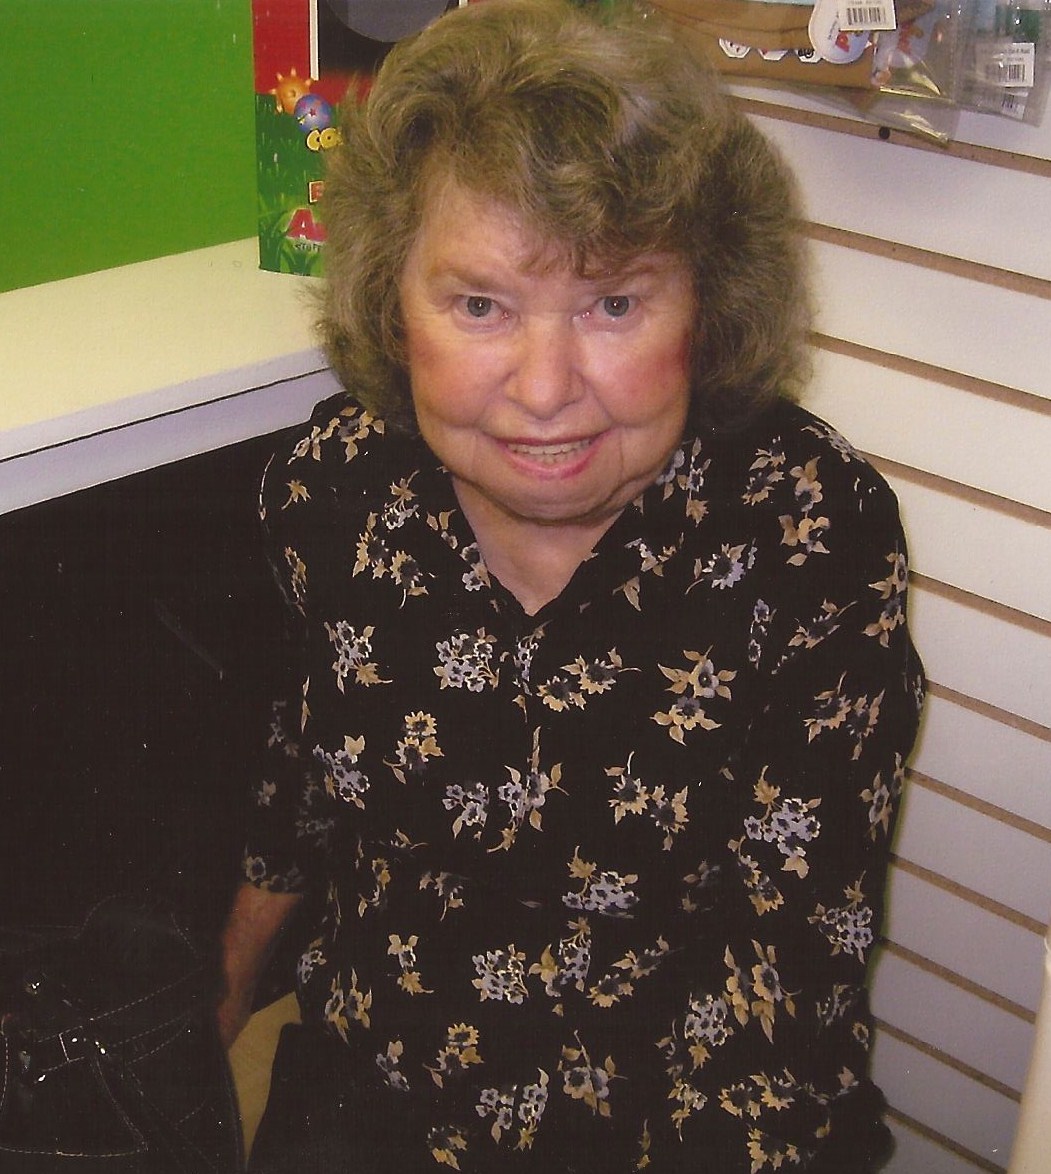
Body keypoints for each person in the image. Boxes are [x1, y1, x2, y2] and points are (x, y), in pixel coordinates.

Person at [217, 1, 925, 1170]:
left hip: (670, 1124)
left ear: (707, 305)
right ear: (392, 305)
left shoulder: (808, 531)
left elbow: (788, 967)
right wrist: (228, 981)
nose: (544, 389)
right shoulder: (330, 490)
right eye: (480, 304)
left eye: (614, 303)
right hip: (382, 1083)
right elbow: (305, 762)